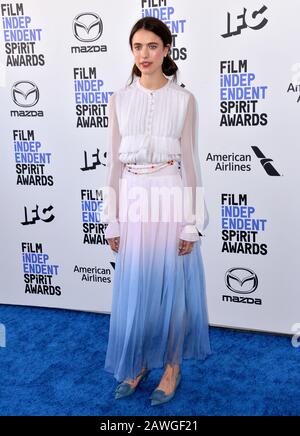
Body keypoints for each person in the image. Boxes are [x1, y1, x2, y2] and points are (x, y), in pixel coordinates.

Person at [102, 16, 211, 406]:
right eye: (137, 47)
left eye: (152, 46)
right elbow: (113, 163)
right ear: (131, 52)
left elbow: (190, 160)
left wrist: (191, 224)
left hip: (170, 195)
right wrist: (111, 216)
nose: (144, 54)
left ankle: (171, 365)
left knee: (172, 287)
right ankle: (137, 362)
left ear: (166, 49)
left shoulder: (184, 100)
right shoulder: (119, 99)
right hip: (131, 197)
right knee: (136, 285)